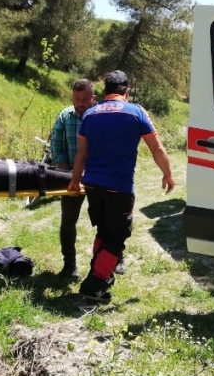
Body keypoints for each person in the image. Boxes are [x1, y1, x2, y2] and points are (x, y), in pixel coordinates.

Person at [69, 70, 174, 302]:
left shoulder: (90, 114)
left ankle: (102, 276)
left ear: (105, 92)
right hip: (119, 186)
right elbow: (156, 148)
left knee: (104, 231)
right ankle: (94, 284)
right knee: (116, 236)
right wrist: (167, 174)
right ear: (126, 92)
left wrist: (75, 180)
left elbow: (81, 153)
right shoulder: (136, 112)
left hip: (92, 185)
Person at [49, 79, 97, 278]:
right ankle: (70, 265)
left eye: (85, 99)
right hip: (71, 177)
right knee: (68, 221)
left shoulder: (100, 116)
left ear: (93, 98)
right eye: (77, 98)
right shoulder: (65, 116)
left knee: (104, 221)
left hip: (96, 178)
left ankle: (104, 266)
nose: (80, 103)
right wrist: (62, 168)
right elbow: (56, 145)